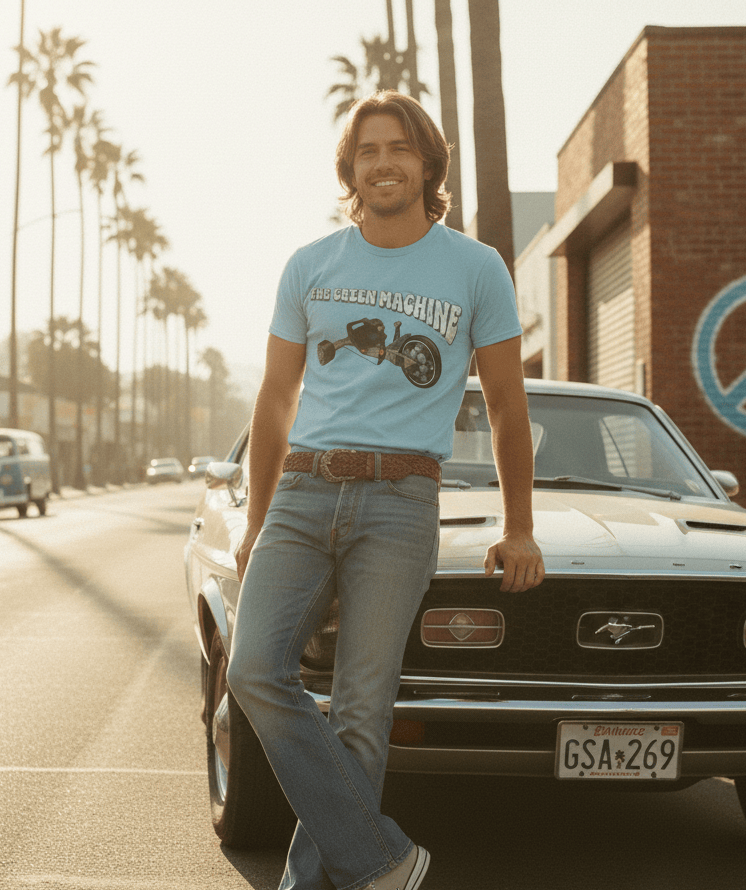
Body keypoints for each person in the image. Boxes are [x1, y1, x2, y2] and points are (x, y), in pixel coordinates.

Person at [226, 90, 544, 890]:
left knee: (363, 713)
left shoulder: (475, 267)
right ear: (351, 169)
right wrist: (257, 518)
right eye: (367, 151)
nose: (383, 163)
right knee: (253, 671)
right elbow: (274, 399)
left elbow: (507, 407)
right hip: (302, 493)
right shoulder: (310, 264)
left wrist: (520, 527)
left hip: (401, 503)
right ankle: (382, 862)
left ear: (427, 162)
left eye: (398, 148)